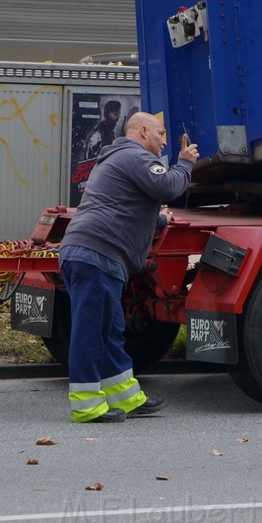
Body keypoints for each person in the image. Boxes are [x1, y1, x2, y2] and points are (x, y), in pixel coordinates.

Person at [59, 112, 199, 423]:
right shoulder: (135, 156)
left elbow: (126, 205)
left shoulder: (117, 159)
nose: (164, 140)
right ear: (143, 131)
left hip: (93, 254)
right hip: (96, 254)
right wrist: (185, 161)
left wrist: (159, 219)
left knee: (109, 331)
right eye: (161, 133)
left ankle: (128, 398)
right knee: (92, 332)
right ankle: (86, 407)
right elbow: (168, 186)